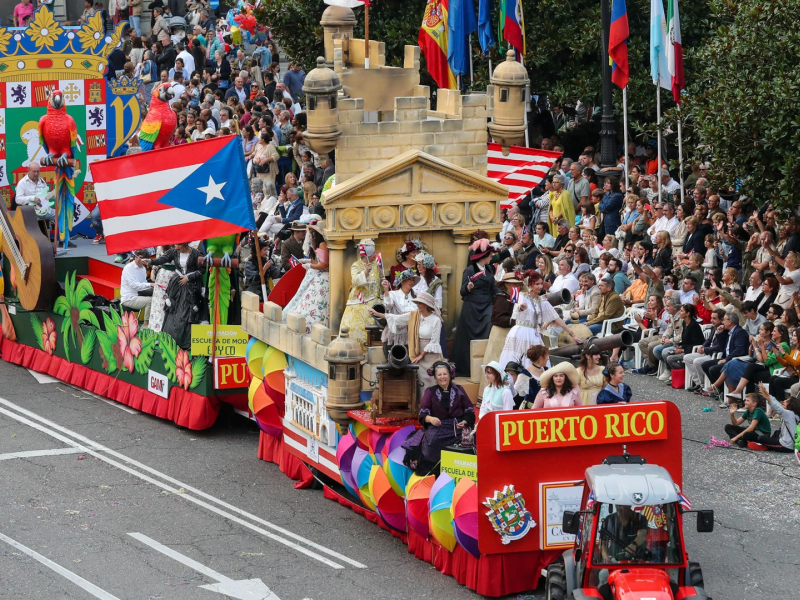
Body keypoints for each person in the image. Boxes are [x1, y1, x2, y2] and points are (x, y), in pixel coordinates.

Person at [402, 361, 475, 475]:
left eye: (445, 374)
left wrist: (465, 421)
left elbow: (469, 409)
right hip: (439, 427)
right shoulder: (430, 392)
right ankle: (437, 469)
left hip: (457, 426)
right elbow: (423, 413)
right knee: (433, 440)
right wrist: (431, 419)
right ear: (435, 377)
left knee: (470, 437)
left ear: (450, 375)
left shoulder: (459, 389)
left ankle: (461, 469)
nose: (442, 377)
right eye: (439, 375)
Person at [497, 270, 580, 370]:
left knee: (538, 362)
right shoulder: (522, 296)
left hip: (534, 334)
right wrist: (521, 307)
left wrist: (573, 335)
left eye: (541, 284)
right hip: (520, 333)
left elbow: (556, 317)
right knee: (514, 362)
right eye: (537, 284)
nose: (540, 286)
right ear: (530, 285)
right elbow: (518, 307)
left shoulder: (543, 302)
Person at [146, 242, 204, 349]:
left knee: (186, 313)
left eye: (179, 245)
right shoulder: (173, 252)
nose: (176, 247)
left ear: (185, 244)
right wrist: (150, 261)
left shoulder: (196, 253)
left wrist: (188, 278)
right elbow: (162, 259)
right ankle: (171, 340)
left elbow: (202, 270)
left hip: (191, 288)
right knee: (173, 312)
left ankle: (186, 342)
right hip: (177, 286)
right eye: (175, 245)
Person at [453, 239, 496, 376]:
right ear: (484, 256)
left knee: (489, 327)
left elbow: (493, 288)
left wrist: (503, 294)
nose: (491, 257)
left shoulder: (489, 269)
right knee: (468, 338)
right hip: (472, 308)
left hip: (486, 306)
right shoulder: (470, 270)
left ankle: (485, 366)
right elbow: (462, 292)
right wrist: (468, 287)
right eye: (490, 255)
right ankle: (467, 369)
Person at [282, 221, 329, 334]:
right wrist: (308, 262)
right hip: (313, 273)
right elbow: (320, 261)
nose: (309, 233)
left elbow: (324, 264)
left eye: (312, 231)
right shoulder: (287, 244)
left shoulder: (322, 243)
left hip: (322, 276)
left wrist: (309, 265)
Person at [340, 238, 382, 350]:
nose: (375, 254)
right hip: (359, 302)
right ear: (367, 254)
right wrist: (365, 272)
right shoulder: (356, 266)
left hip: (376, 301)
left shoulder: (376, 265)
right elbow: (355, 281)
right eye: (373, 252)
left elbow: (379, 281)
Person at [373, 269, 419, 349]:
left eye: (413, 280)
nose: (412, 282)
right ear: (402, 281)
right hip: (394, 333)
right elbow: (388, 305)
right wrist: (386, 290)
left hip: (410, 333)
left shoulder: (415, 296)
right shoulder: (393, 294)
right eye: (409, 279)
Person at [754, 383, 800, 452]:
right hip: (791, 444)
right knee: (777, 432)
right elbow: (777, 404)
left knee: (761, 438)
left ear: (791, 405)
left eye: (787, 401)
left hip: (785, 446)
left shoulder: (788, 414)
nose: (784, 401)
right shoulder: (793, 414)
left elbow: (777, 407)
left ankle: (766, 446)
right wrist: (766, 392)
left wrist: (766, 398)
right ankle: (768, 444)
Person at [662, 304, 706, 374]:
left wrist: (682, 350)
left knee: (670, 359)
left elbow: (696, 343)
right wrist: (680, 346)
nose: (679, 312)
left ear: (688, 313)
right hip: (686, 348)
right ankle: (679, 375)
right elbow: (684, 339)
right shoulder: (684, 323)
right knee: (668, 353)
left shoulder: (694, 326)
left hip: (693, 351)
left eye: (682, 311)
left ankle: (683, 374)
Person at [147, 245, 178, 332]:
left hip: (176, 277)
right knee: (159, 303)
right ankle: (156, 330)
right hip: (163, 277)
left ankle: (172, 331)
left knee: (174, 302)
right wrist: (153, 271)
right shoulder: (160, 247)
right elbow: (158, 262)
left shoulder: (180, 247)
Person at [120, 250, 155, 323]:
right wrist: (150, 284)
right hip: (129, 298)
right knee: (151, 301)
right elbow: (133, 285)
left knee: (157, 298)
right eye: (137, 257)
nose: (138, 259)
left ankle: (155, 323)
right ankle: (146, 324)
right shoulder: (128, 268)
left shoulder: (143, 269)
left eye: (141, 258)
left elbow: (143, 285)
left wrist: (154, 285)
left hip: (138, 295)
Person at [243, 237, 279, 302]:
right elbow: (255, 278)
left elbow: (276, 273)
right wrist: (264, 269)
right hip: (253, 290)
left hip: (266, 289)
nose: (266, 252)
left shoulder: (266, 260)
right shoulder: (249, 263)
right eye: (265, 250)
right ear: (258, 251)